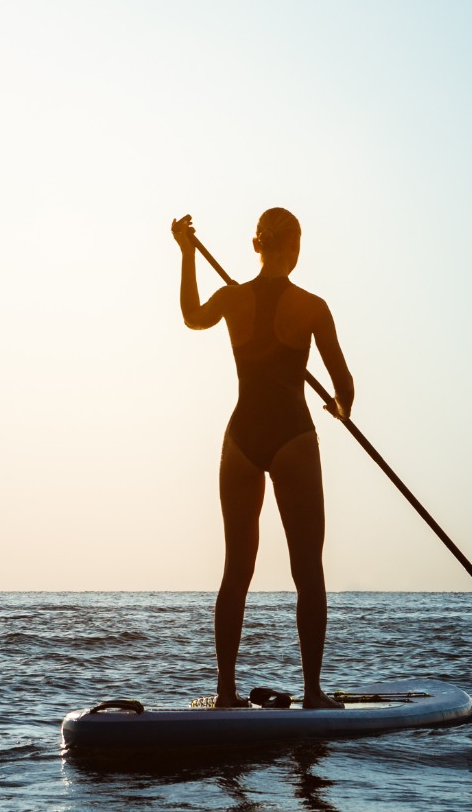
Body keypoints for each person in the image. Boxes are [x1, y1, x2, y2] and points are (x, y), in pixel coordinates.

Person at [171, 208, 355, 711]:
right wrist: (340, 409)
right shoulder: (313, 307)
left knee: (236, 570)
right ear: (294, 249)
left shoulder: (232, 298)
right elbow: (344, 386)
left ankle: (227, 692)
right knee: (307, 570)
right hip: (293, 437)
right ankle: (314, 693)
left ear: (258, 245)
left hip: (240, 441)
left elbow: (191, 317)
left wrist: (187, 255)